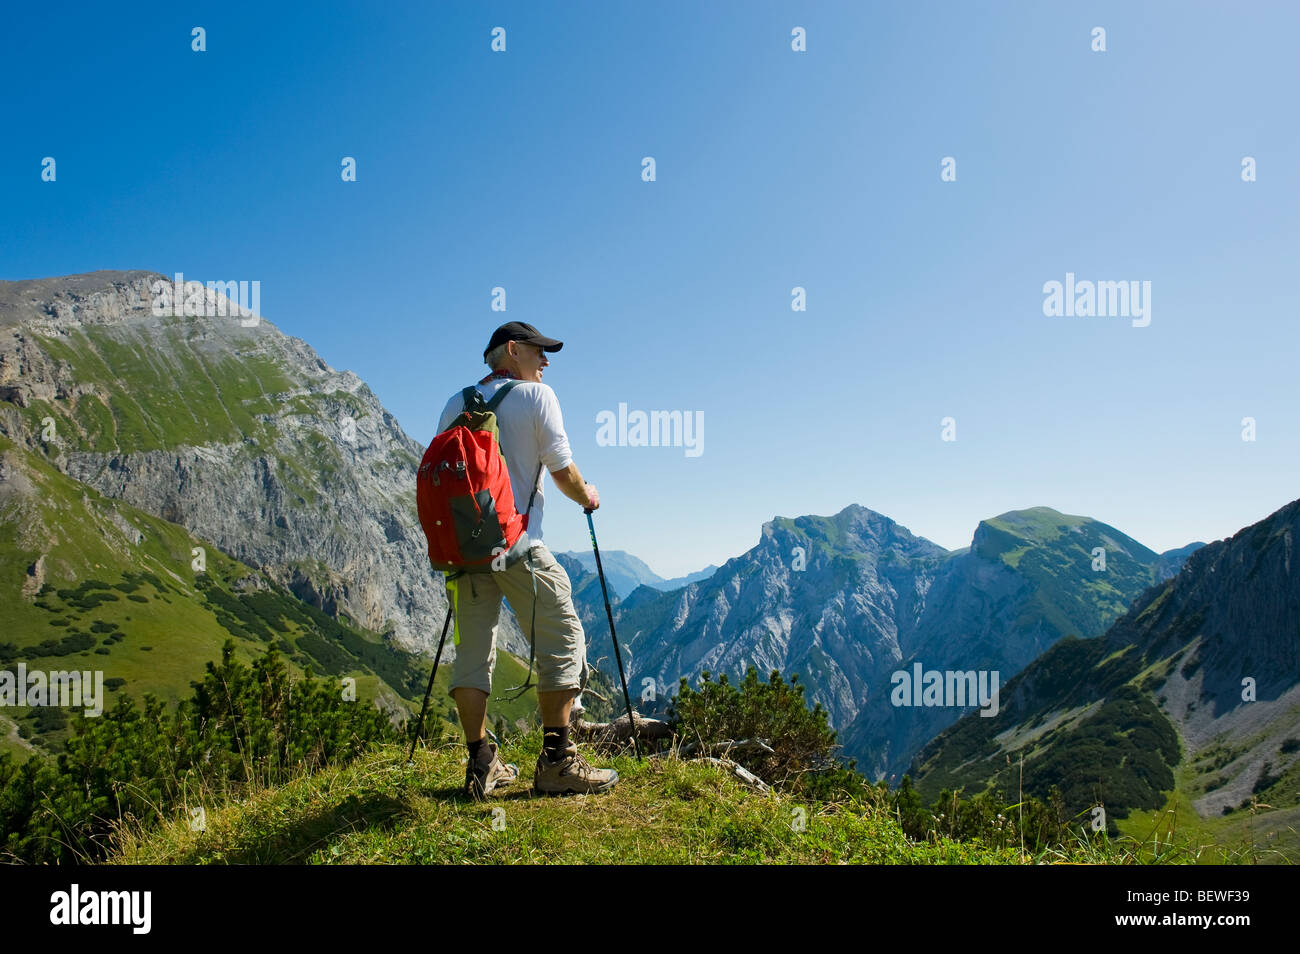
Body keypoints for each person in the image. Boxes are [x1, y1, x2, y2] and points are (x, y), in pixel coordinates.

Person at [434, 320, 619, 799]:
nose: (546, 361)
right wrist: (588, 496)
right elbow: (562, 470)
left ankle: (480, 764)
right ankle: (557, 762)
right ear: (512, 350)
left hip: (465, 551)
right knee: (562, 635)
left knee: (473, 654)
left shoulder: (456, 402)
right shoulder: (538, 397)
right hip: (516, 546)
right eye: (539, 351)